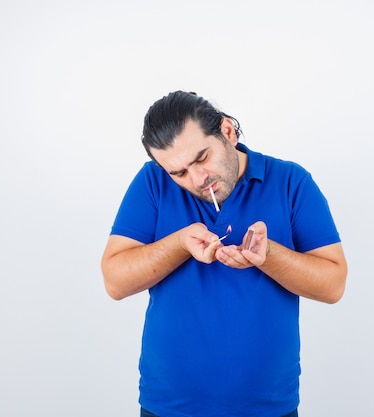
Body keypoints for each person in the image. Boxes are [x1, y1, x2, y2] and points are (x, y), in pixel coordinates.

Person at [101, 90, 347, 417]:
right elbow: (115, 282)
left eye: (202, 158)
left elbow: (333, 285)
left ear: (227, 132)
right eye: (179, 173)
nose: (198, 179)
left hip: (268, 408)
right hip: (168, 407)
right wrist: (178, 244)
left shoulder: (291, 182)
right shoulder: (153, 182)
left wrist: (269, 255)